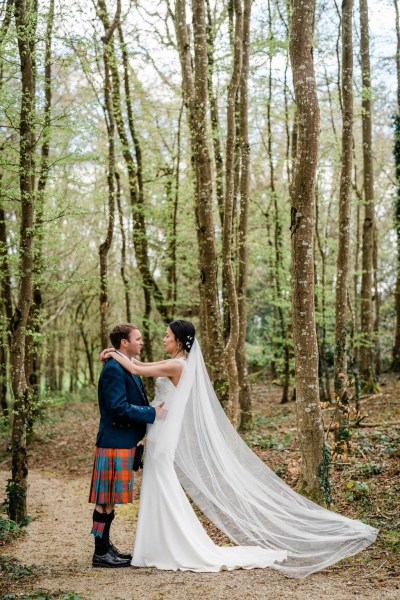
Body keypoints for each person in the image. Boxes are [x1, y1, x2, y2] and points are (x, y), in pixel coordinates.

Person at [101, 320, 378, 577]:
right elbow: (142, 364)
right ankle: (155, 544)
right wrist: (120, 355)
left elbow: (137, 368)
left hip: (164, 433)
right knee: (158, 482)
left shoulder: (179, 366)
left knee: (162, 481)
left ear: (181, 341)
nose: (162, 339)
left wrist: (115, 354)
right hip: (159, 430)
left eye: (167, 336)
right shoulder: (174, 361)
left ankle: (171, 545)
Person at [89, 323, 166, 568]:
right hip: (114, 442)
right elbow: (118, 408)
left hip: (121, 442)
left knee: (107, 500)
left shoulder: (123, 363)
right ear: (124, 342)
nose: (142, 342)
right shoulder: (114, 369)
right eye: (138, 338)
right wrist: (150, 413)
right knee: (104, 501)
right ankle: (100, 552)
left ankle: (104, 547)